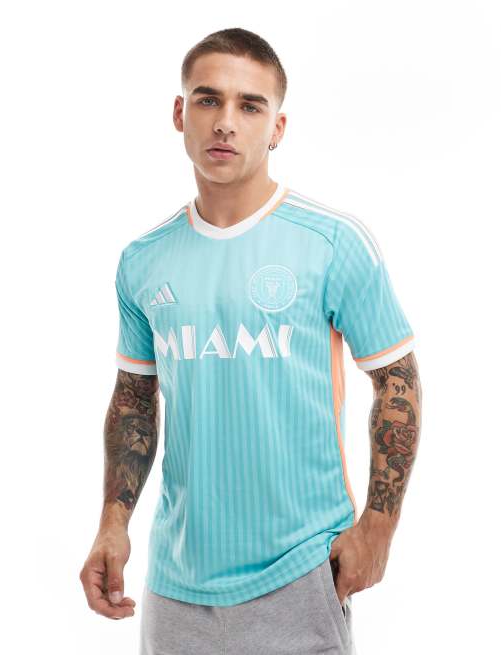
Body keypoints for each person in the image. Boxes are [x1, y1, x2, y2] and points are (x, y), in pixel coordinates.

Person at [79, 27, 422, 655]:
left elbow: (397, 378)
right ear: (180, 113)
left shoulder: (333, 243)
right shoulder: (143, 260)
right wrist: (112, 523)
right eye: (208, 100)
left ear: (277, 128)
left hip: (300, 572)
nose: (225, 122)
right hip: (177, 584)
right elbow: (134, 398)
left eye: (250, 106)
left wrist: (379, 527)